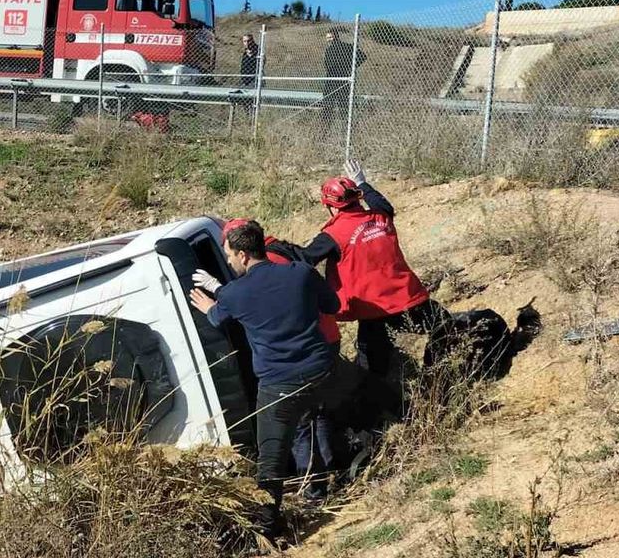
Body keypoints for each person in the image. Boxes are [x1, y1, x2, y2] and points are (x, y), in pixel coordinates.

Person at [189, 220, 339, 536]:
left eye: (229, 255)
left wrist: (210, 303)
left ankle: (268, 531)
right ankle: (320, 482)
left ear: (243, 255)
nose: (228, 261)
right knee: (313, 417)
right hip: (322, 369)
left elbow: (218, 318)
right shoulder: (300, 272)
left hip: (279, 386)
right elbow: (332, 304)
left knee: (270, 463)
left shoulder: (233, 294)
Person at [301, 158, 449, 377]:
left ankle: (375, 402)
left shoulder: (332, 235)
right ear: (357, 199)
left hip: (373, 310)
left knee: (371, 370)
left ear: (330, 206)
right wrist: (362, 183)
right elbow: (383, 204)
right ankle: (434, 376)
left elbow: (304, 259)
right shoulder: (381, 217)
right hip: (407, 299)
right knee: (445, 327)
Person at [320, 31, 365, 128]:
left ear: (335, 37)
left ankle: (329, 131)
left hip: (337, 81)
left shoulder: (347, 47)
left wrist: (350, 67)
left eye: (330, 37)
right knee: (341, 108)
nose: (328, 40)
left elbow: (362, 56)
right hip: (336, 80)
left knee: (331, 108)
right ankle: (343, 130)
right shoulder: (329, 50)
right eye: (327, 38)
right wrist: (350, 67)